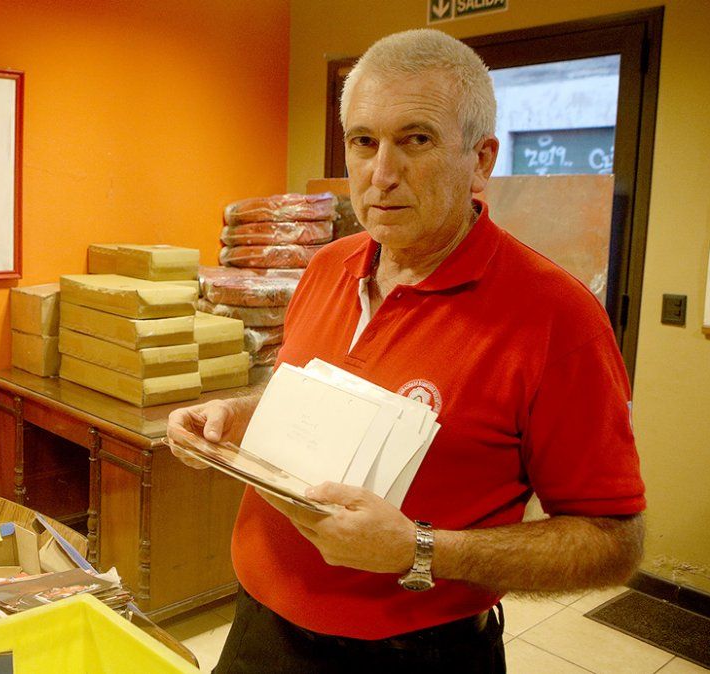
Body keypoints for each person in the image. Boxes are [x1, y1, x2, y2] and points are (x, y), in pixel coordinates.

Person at [168, 29, 645, 672]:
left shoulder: (557, 318)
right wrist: (237, 413)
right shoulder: (328, 266)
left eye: (416, 140)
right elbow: (306, 390)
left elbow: (614, 542)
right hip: (261, 627)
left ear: (481, 160)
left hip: (417, 653)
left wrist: (420, 550)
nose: (382, 174)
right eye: (364, 142)